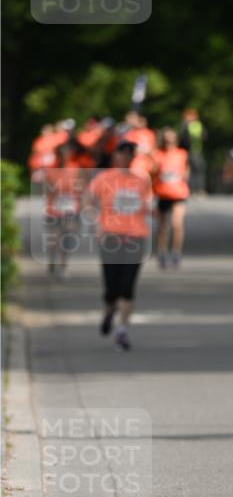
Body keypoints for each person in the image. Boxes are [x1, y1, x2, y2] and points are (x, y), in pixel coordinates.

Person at [86, 141, 152, 351]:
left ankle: (122, 330)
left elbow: (150, 202)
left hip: (135, 237)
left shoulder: (142, 180)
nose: (126, 158)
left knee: (127, 286)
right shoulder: (104, 178)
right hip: (111, 237)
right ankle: (109, 310)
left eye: (129, 154)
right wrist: (94, 218)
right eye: (122, 154)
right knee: (111, 287)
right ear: (115, 156)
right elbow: (89, 200)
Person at [42, 146, 82, 279]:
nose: (64, 157)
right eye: (61, 155)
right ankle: (52, 259)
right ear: (57, 156)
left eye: (66, 154)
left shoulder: (75, 169)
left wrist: (79, 205)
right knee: (54, 238)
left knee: (66, 238)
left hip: (70, 208)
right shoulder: (51, 171)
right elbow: (48, 190)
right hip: (54, 209)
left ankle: (64, 266)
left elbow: (79, 188)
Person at [152, 127, 190, 268]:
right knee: (162, 227)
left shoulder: (182, 154)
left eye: (171, 140)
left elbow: (186, 171)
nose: (169, 143)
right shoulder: (157, 154)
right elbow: (152, 172)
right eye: (166, 140)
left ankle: (176, 252)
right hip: (162, 194)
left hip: (179, 193)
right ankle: (162, 252)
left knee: (177, 223)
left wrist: (181, 175)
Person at [179, 108, 207, 195]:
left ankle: (198, 189)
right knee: (190, 171)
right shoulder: (186, 125)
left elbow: (204, 136)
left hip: (195, 151)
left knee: (197, 170)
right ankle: (191, 189)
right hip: (189, 151)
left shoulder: (196, 125)